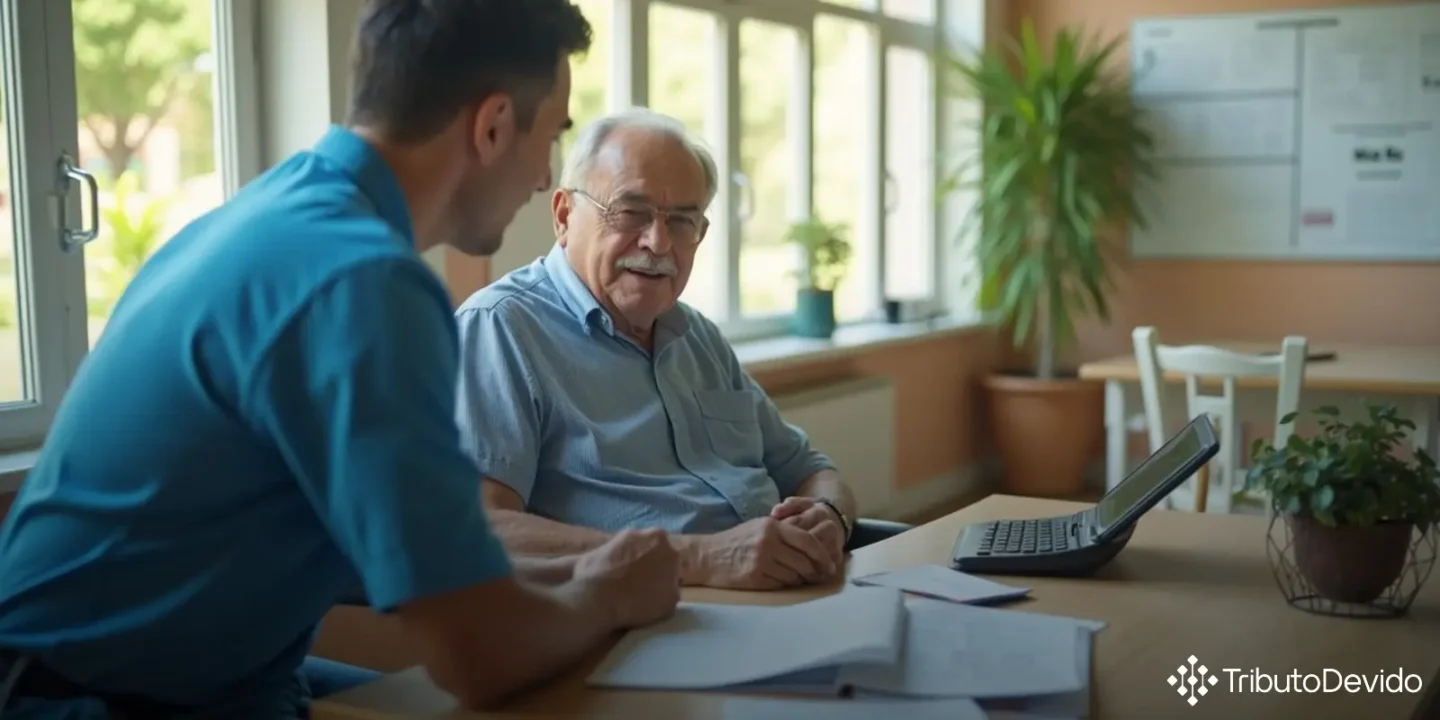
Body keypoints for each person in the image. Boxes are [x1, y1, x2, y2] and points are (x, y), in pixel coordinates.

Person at [0, 1, 680, 717]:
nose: (546, 177)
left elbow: (417, 563)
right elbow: (479, 653)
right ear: (492, 125)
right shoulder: (362, 280)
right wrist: (607, 594)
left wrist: (580, 569)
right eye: (553, 137)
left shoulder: (269, 216)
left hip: (209, 677)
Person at [454, 108, 860, 592]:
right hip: (653, 620)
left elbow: (812, 470)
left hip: (786, 599)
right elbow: (478, 530)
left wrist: (828, 515)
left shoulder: (699, 337)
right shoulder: (502, 328)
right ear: (564, 215)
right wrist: (699, 558)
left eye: (683, 221)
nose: (658, 241)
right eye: (631, 212)